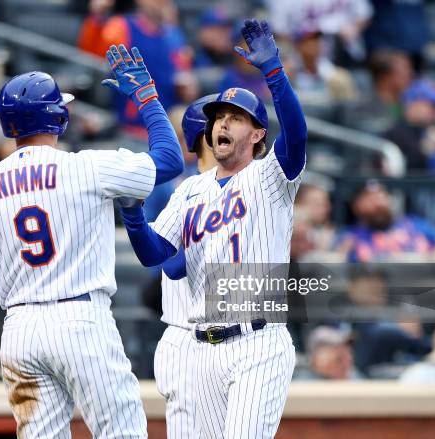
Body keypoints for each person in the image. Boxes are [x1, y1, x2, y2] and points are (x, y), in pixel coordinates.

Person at [0, 45, 184, 438]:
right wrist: (147, 97)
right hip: (80, 320)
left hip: (19, 330)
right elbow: (170, 161)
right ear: (60, 117)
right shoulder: (87, 167)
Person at [118, 19, 307, 438]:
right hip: (202, 344)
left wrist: (274, 73)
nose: (222, 123)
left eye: (236, 118)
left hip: (259, 338)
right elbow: (156, 254)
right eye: (219, 116)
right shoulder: (190, 190)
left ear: (257, 133)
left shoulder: (271, 177)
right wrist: (132, 215)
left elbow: (296, 134)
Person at [153, 94, 218, 439]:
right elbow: (173, 263)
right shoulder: (185, 190)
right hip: (186, 334)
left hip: (234, 337)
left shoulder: (247, 186)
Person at [101, 0, 195, 136]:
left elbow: (184, 74)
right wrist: (97, 19)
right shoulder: (120, 26)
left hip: (167, 130)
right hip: (131, 127)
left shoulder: (175, 35)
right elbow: (94, 57)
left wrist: (189, 87)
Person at [335, 181, 435, 263]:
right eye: (371, 199)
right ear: (357, 206)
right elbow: (337, 265)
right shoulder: (350, 236)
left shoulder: (415, 224)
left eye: (381, 197)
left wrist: (434, 258)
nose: (378, 204)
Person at [295, 326, 362, 380]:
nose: (347, 357)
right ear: (318, 357)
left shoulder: (354, 377)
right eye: (338, 359)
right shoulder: (303, 380)